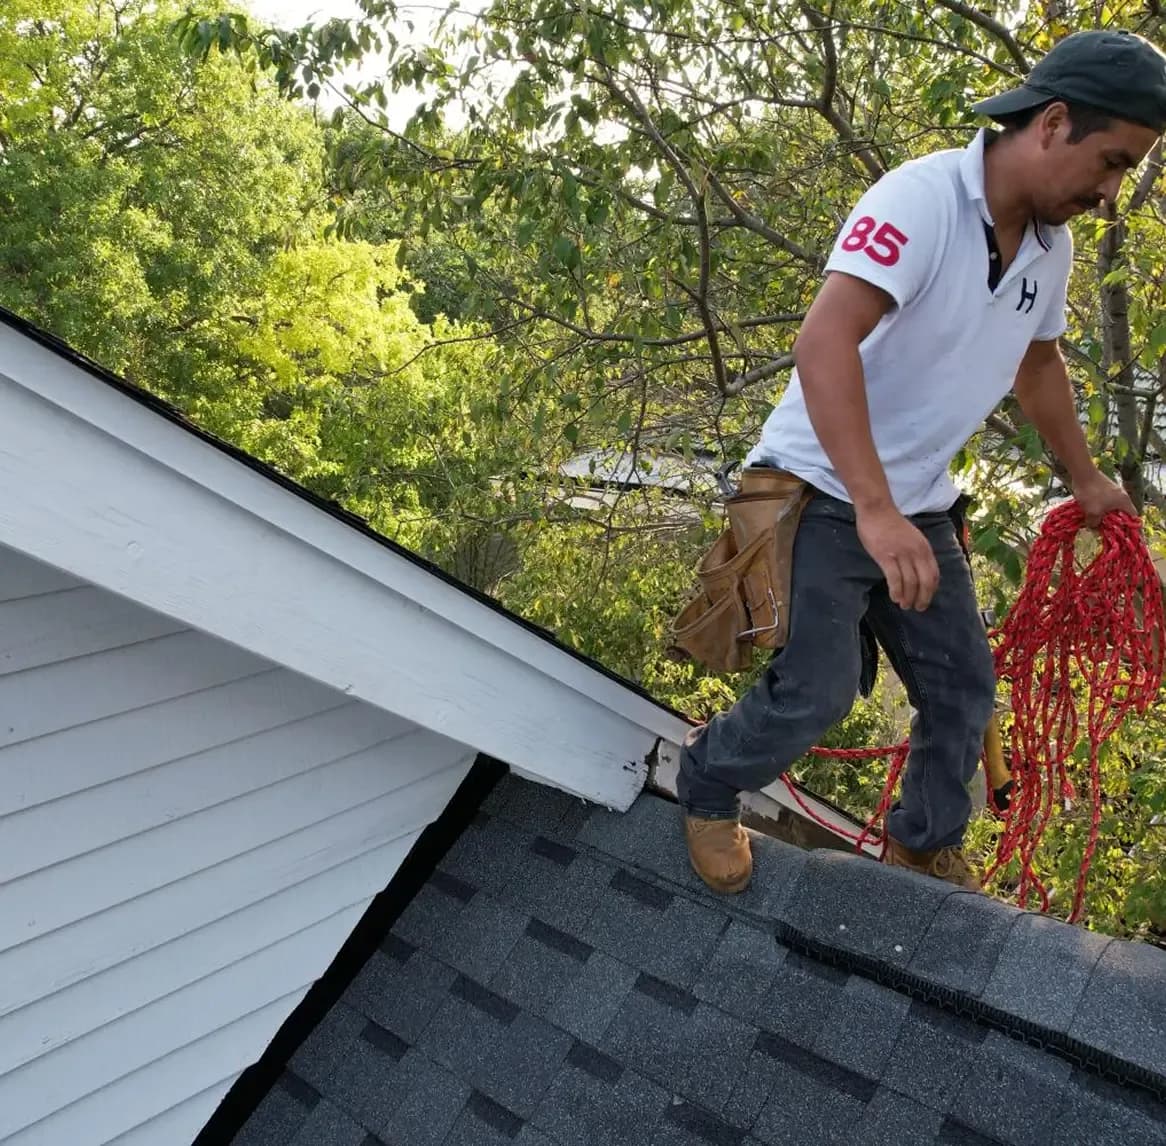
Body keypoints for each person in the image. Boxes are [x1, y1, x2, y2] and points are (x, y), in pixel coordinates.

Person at [678, 29, 1166, 894]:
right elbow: (822, 344)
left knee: (964, 688)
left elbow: (1038, 364)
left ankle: (922, 844)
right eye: (1112, 160)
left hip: (917, 508)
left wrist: (1086, 477)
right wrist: (873, 506)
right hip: (823, 489)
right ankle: (709, 783)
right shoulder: (922, 198)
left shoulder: (1050, 249)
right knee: (819, 691)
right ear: (1053, 123)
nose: (1110, 190)